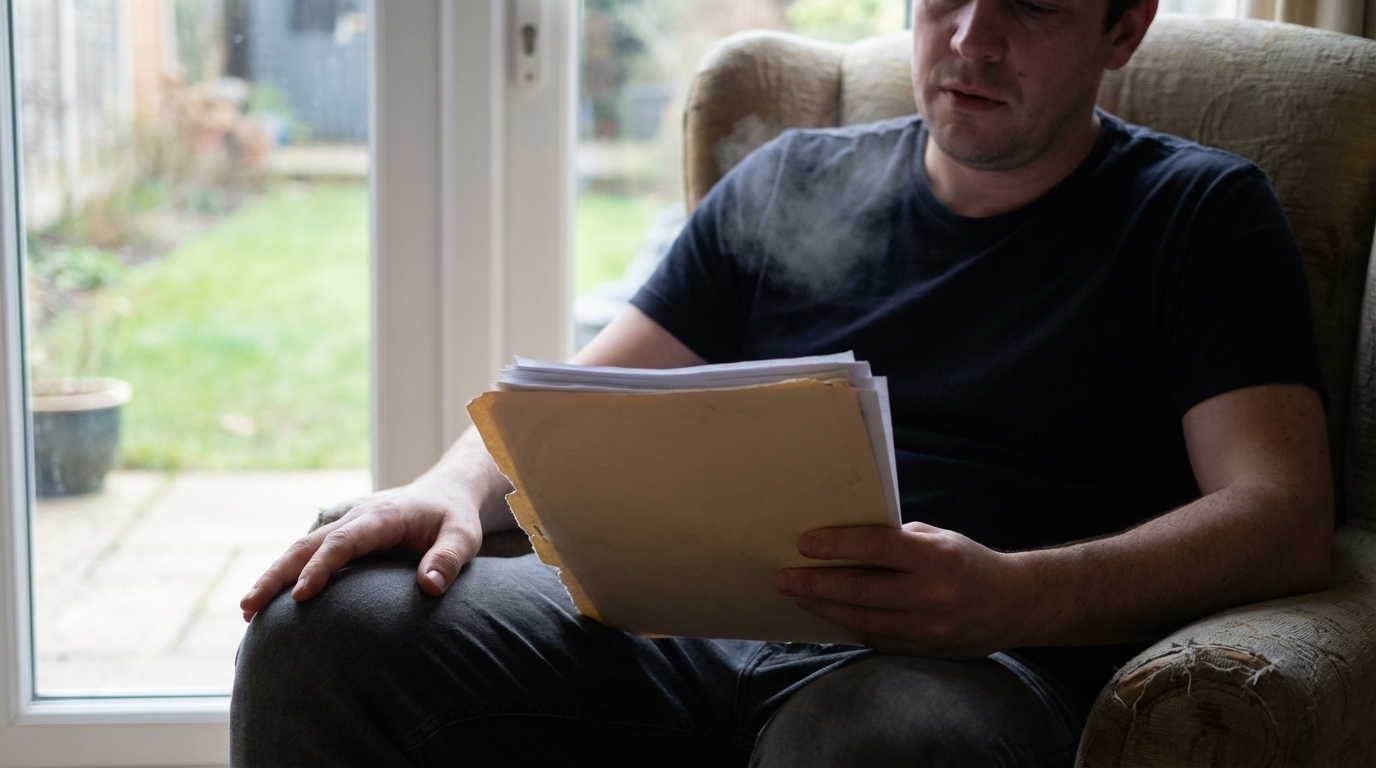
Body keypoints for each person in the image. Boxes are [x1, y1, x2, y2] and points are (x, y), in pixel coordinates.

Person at [231, 0, 1334, 763]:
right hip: (688, 640)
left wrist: (1014, 595)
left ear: (1123, 25)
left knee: (873, 741)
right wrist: (448, 486)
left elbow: (1278, 516)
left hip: (961, 666)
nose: (970, 39)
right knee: (327, 635)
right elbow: (573, 408)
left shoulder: (1198, 216)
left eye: (1034, 6)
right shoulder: (788, 179)